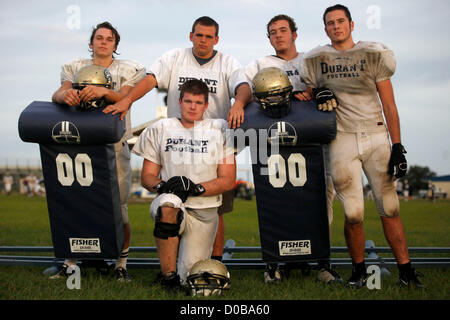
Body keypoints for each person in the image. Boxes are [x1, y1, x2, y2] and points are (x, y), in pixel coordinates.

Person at [106, 16, 252, 263]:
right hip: (177, 142)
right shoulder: (174, 57)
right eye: (199, 35)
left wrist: (238, 103)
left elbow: (244, 86)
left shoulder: (227, 62)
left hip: (214, 144)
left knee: (215, 208)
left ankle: (215, 263)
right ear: (191, 35)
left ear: (216, 39)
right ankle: (170, 266)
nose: (203, 40)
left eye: (208, 36)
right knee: (172, 201)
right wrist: (127, 100)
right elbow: (150, 80)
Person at [301, 4, 423, 288]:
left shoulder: (372, 53)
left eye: (340, 21)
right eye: (330, 23)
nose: (336, 27)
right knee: (354, 212)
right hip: (342, 136)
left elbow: (389, 104)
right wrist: (317, 93)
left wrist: (398, 145)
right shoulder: (316, 59)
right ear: (325, 29)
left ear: (352, 24)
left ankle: (406, 271)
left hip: (376, 134)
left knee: (390, 207)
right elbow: (304, 96)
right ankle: (359, 271)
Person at [245, 14, 341, 285]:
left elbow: (328, 93)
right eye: (273, 32)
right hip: (275, 145)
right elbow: (245, 90)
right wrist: (238, 104)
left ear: (294, 33)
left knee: (321, 201)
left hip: (312, 142)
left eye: (283, 30)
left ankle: (323, 261)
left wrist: (313, 92)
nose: (278, 35)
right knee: (276, 202)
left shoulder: (311, 59)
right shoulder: (259, 64)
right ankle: (275, 261)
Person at [50, 21, 146, 281]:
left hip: (114, 142)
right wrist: (64, 97)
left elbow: (126, 98)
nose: (104, 42)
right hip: (80, 142)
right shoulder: (73, 66)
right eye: (99, 38)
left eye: (109, 39)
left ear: (115, 45)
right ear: (91, 43)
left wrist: (103, 91)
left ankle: (121, 264)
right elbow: (59, 93)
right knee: (76, 201)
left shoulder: (129, 68)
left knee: (120, 207)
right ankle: (70, 262)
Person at [132, 79, 236, 291]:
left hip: (204, 210)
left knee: (190, 278)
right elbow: (148, 176)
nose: (192, 107)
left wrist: (196, 188)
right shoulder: (161, 128)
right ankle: (167, 278)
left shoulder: (220, 128)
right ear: (179, 101)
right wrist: (165, 187)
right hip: (172, 200)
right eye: (188, 101)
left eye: (198, 103)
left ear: (206, 105)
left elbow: (227, 179)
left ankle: (178, 275)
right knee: (168, 205)